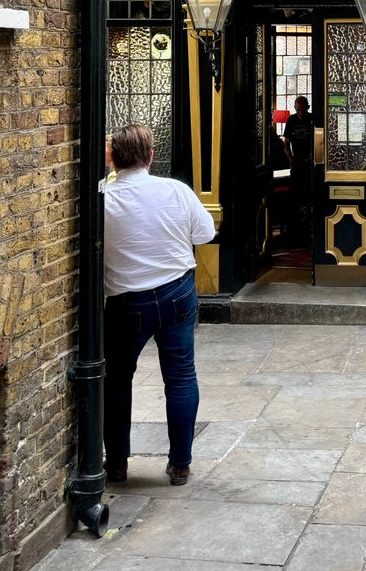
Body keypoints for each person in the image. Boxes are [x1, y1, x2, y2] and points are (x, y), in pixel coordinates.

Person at [102, 123, 215, 486]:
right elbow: (206, 233)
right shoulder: (175, 191)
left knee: (116, 380)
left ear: (112, 159)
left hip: (126, 301)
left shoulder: (104, 197)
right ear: (151, 156)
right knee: (181, 376)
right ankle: (180, 463)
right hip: (177, 293)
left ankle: (117, 463)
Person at [282, 96, 314, 234]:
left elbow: (320, 137)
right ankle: (294, 226)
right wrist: (290, 158)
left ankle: (310, 222)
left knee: (311, 192)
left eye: (303, 109)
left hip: (311, 161)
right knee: (294, 192)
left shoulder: (312, 119)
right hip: (296, 161)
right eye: (298, 109)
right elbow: (286, 141)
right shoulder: (291, 120)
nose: (300, 112)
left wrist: (313, 155)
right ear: (295, 108)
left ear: (307, 107)